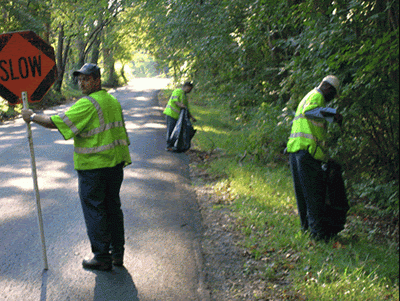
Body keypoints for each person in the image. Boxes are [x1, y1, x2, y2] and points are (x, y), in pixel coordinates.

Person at [22, 63, 132, 271]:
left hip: (94, 167)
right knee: (113, 208)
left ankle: (101, 256)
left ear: (97, 80)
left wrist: (33, 116)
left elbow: (56, 122)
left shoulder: (89, 104)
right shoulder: (112, 101)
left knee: (95, 209)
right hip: (115, 164)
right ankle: (118, 254)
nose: (81, 82)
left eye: (86, 78)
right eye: (80, 79)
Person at [286, 75, 346, 241]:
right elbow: (310, 112)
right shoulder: (316, 96)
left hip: (296, 150)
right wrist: (334, 115)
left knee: (303, 195)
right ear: (328, 89)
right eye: (333, 95)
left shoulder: (308, 96)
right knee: (314, 195)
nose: (331, 99)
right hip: (308, 153)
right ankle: (318, 235)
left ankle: (306, 230)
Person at [163, 82, 196, 151]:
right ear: (187, 87)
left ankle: (175, 145)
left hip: (177, 117)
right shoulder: (177, 91)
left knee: (176, 132)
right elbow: (175, 101)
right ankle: (169, 146)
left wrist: (191, 117)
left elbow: (186, 108)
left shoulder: (184, 96)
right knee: (171, 130)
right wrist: (181, 105)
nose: (190, 91)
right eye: (190, 89)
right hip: (171, 114)